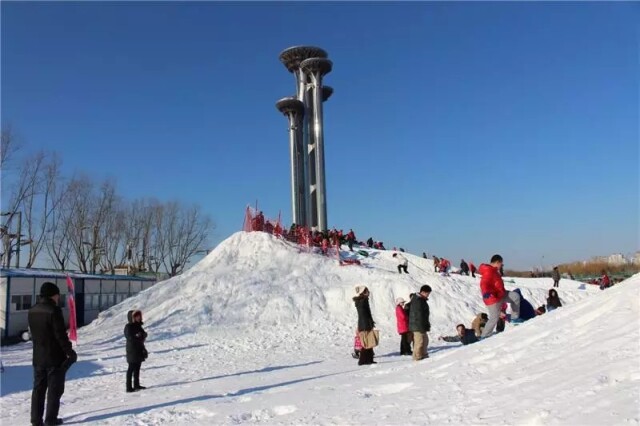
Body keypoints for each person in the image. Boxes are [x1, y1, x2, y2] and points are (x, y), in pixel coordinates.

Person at [29, 282, 77, 426]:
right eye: (57, 295)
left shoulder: (32, 310)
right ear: (53, 295)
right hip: (54, 358)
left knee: (38, 390)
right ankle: (50, 419)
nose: (58, 298)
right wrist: (70, 352)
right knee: (54, 391)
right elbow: (60, 335)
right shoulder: (53, 311)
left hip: (38, 357)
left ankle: (35, 420)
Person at [479, 254, 522, 338]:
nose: (502, 265)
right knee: (494, 317)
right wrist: (486, 292)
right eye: (501, 263)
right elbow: (484, 283)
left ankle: (514, 319)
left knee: (515, 296)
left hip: (500, 294)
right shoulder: (489, 271)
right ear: (497, 262)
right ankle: (484, 336)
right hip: (492, 298)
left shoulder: (494, 270)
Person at [124, 310, 148, 392]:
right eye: (137, 316)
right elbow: (130, 337)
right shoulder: (129, 326)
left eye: (139, 316)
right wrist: (138, 336)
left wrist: (142, 336)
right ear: (132, 317)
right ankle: (128, 387)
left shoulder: (138, 326)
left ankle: (136, 385)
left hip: (139, 349)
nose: (139, 318)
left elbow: (143, 334)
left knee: (137, 367)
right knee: (131, 368)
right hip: (132, 350)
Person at [353, 286, 376, 365]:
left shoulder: (362, 300)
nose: (368, 292)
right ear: (363, 292)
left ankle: (369, 359)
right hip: (365, 325)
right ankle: (363, 360)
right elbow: (364, 314)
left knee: (369, 342)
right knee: (366, 343)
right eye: (367, 291)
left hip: (365, 324)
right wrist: (369, 322)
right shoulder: (363, 301)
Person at [408, 285, 431, 361]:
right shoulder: (417, 300)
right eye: (427, 294)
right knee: (419, 342)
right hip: (418, 326)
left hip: (421, 325)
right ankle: (417, 358)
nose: (428, 295)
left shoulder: (421, 300)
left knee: (425, 341)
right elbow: (418, 315)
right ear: (423, 292)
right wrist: (422, 326)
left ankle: (424, 355)